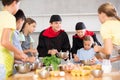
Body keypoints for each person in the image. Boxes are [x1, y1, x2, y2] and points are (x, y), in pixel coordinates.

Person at [0, 0, 27, 78]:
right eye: (19, 4)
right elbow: (4, 42)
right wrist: (20, 53)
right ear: (15, 2)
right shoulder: (9, 17)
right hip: (3, 63)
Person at [94, 2, 120, 70]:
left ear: (102, 14)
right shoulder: (118, 22)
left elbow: (108, 50)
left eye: (98, 15)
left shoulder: (105, 26)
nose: (98, 18)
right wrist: (110, 60)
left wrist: (98, 48)